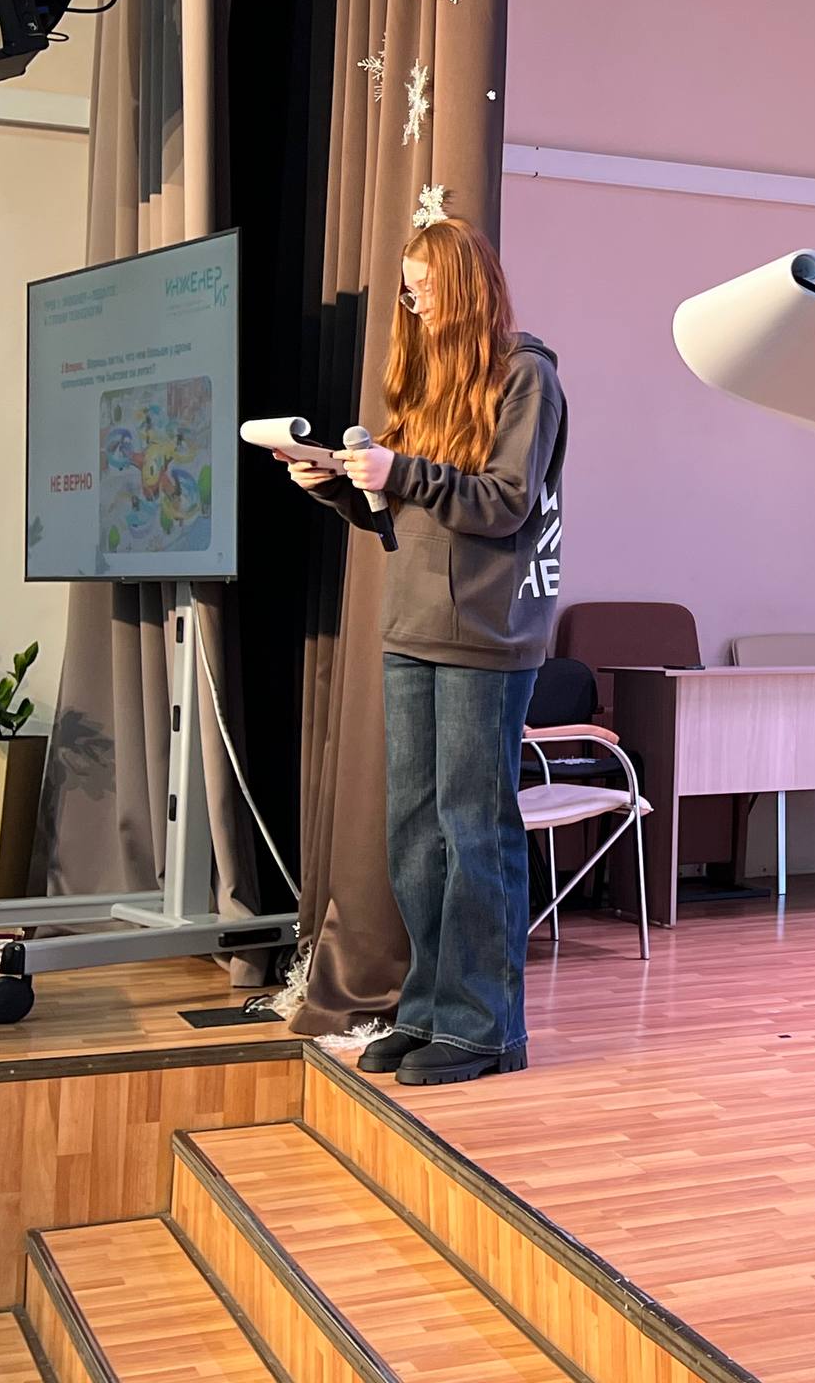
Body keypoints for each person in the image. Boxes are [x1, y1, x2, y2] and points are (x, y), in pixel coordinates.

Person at [276, 213, 566, 1087]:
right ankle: (430, 1011)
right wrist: (340, 485)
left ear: (467, 285)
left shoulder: (527, 376)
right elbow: (403, 514)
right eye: (408, 290)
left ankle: (487, 1030)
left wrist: (398, 471)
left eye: (426, 287)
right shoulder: (430, 379)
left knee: (474, 831)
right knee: (416, 835)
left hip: (485, 633)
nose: (416, 302)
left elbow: (505, 503)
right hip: (412, 626)